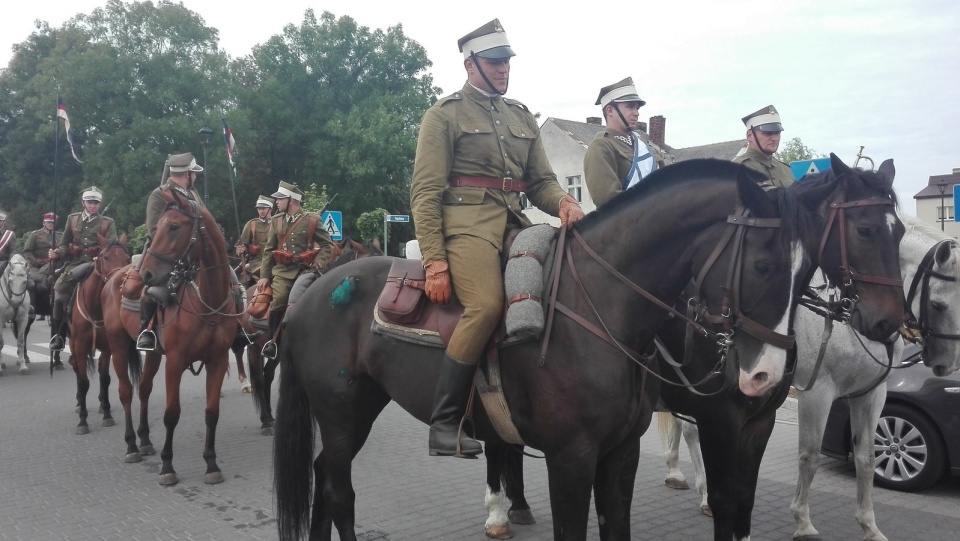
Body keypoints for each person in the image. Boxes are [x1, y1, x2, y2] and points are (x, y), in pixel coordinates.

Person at [409, 18, 585, 458]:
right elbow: (425, 193)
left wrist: (563, 201)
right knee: (486, 305)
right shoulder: (444, 114)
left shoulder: (521, 116)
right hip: (466, 227)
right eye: (494, 62)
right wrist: (435, 260)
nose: (503, 69)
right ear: (471, 65)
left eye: (506, 62)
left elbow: (540, 181)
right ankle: (445, 422)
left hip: (514, 222)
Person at [256, 181, 334, 359]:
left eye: (280, 199)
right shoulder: (276, 221)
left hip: (306, 270)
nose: (276, 202)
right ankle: (273, 342)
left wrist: (318, 263)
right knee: (279, 299)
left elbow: (327, 245)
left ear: (291, 200)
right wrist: (264, 276)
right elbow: (269, 250)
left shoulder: (311, 220)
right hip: (283, 271)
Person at [136, 152, 204, 351]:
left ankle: (236, 329)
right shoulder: (160, 194)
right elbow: (154, 230)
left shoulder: (193, 194)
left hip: (195, 252)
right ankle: (145, 331)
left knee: (230, 279)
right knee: (152, 288)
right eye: (194, 173)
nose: (196, 177)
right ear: (187, 174)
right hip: (166, 255)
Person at [48, 187, 118, 351]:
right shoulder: (73, 219)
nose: (93, 205)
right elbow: (65, 243)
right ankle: (58, 335)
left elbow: (112, 245)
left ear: (99, 204)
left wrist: (100, 255)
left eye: (96, 203)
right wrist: (58, 252)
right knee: (58, 295)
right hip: (76, 263)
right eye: (90, 202)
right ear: (83, 203)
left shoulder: (107, 222)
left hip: (99, 264)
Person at [583, 77, 666, 207]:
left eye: (637, 108)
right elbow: (609, 201)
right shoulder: (601, 147)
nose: (636, 113)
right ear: (610, 110)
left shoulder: (645, 146)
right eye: (630, 107)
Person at [733, 105, 794, 188]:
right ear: (749, 136)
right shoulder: (737, 169)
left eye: (777, 133)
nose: (775, 138)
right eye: (767, 133)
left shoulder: (787, 170)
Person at [235, 195, 274, 285]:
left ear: (270, 209)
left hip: (275, 261)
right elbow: (242, 244)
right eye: (259, 209)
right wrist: (241, 249)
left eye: (264, 208)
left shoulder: (277, 223)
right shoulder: (252, 224)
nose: (261, 211)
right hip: (257, 263)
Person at [23, 212, 57, 304]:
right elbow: (27, 252)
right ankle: (31, 306)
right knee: (32, 283)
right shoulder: (35, 235)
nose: (51, 224)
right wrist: (35, 261)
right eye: (48, 222)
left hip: (54, 265)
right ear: (44, 223)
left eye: (53, 222)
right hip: (36, 266)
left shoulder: (60, 236)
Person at [0, 210, 14, 276]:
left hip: (4, 262)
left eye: (0, 221)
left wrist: (10, 262)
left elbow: (13, 251)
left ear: (4, 222)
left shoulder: (9, 235)